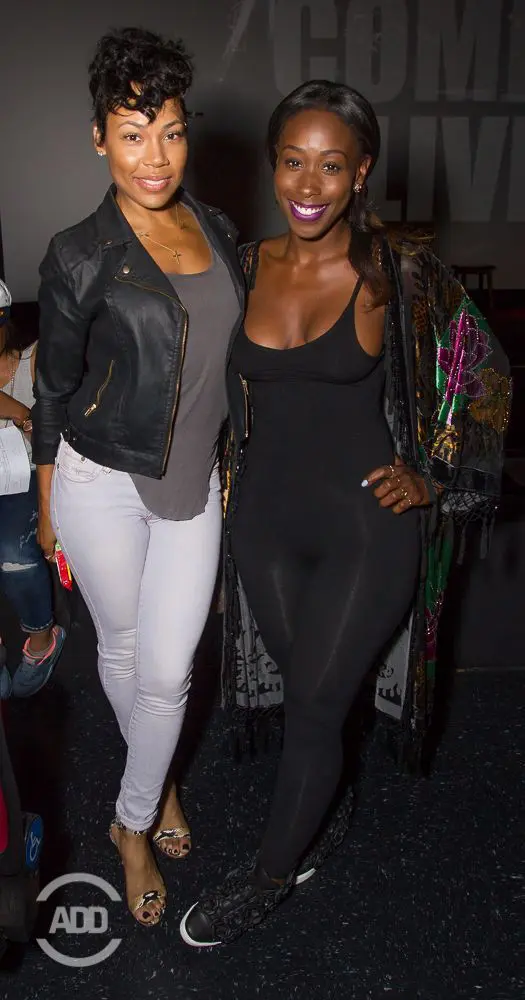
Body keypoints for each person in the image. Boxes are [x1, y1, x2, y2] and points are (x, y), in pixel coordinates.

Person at [180, 80, 510, 947]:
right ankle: (323, 802)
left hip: (365, 530)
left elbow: (483, 368)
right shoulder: (241, 265)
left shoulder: (396, 272)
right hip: (263, 526)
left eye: (331, 166)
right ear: (272, 165)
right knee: (308, 701)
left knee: (319, 707)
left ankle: (267, 876)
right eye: (293, 161)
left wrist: (436, 476)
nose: (309, 184)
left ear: (361, 172)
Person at [32, 27, 244, 927]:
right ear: (99, 139)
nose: (154, 157)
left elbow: (235, 363)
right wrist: (48, 503)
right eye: (131, 134)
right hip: (99, 484)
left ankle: (130, 812)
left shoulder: (220, 228)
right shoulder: (79, 253)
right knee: (121, 653)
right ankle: (149, 805)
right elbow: (51, 389)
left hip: (191, 485)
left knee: (168, 671)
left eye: (170, 132)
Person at [0, 280, 66, 700]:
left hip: (26, 474)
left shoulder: (35, 359)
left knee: (14, 554)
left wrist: (25, 417)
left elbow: (55, 433)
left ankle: (43, 642)